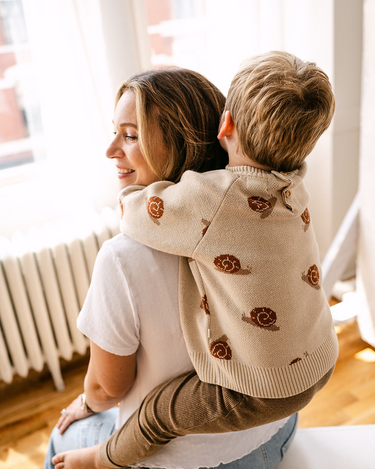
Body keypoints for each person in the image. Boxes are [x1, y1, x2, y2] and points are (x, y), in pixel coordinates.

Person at [47, 67, 298, 469]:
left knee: (59, 442)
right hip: (275, 428)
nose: (111, 150)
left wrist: (86, 402)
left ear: (182, 143)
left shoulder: (123, 257)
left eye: (130, 136)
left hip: (185, 458)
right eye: (115, 132)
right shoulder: (269, 214)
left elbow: (108, 388)